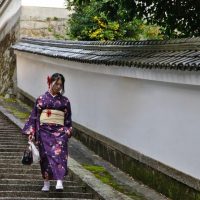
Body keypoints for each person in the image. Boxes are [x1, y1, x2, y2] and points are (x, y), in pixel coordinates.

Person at [22, 73, 72, 192]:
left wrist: (67, 131)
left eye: (61, 84)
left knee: (59, 155)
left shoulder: (65, 101)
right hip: (44, 132)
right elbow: (34, 117)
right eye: (56, 84)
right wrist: (31, 132)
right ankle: (46, 182)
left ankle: (59, 181)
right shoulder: (41, 99)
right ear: (50, 83)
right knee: (45, 157)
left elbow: (68, 119)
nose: (59, 87)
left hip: (60, 132)